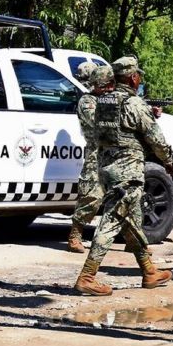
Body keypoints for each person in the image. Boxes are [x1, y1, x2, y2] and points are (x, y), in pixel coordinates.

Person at [74, 57, 173, 296]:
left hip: (106, 168)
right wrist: (169, 161)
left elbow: (98, 135)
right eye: (137, 75)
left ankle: (149, 272)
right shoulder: (133, 103)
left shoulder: (103, 101)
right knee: (112, 220)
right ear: (132, 77)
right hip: (127, 171)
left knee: (130, 220)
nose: (139, 79)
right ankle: (87, 276)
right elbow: (156, 139)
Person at [68, 63, 113, 253]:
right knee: (91, 196)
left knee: (126, 197)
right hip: (96, 153)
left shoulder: (111, 100)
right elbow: (97, 124)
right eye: (108, 84)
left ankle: (134, 241)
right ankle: (75, 236)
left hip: (114, 153)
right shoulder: (87, 101)